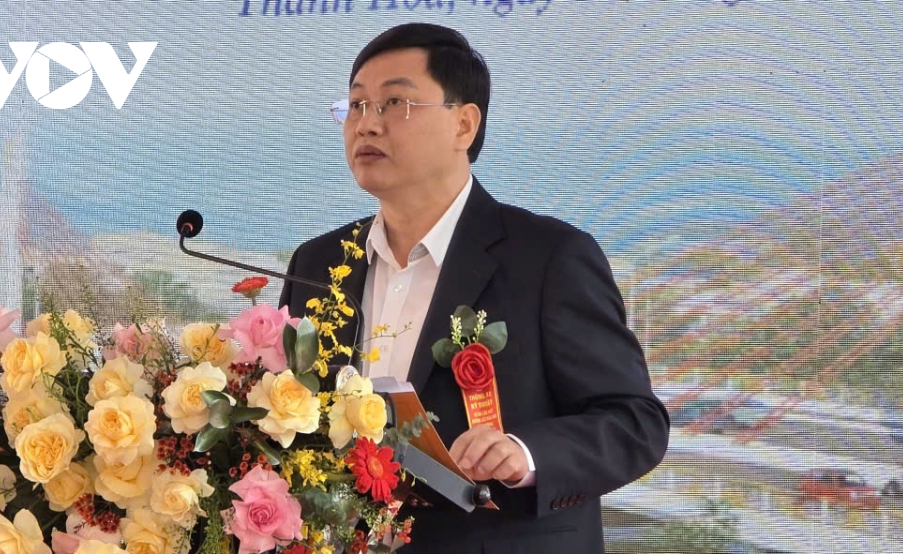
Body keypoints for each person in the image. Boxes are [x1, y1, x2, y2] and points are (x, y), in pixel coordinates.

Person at [280, 23, 669, 554]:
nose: (366, 124)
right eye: (355, 105)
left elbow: (635, 422)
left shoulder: (549, 258)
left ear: (463, 124)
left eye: (394, 103)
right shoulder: (319, 263)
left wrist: (526, 453)